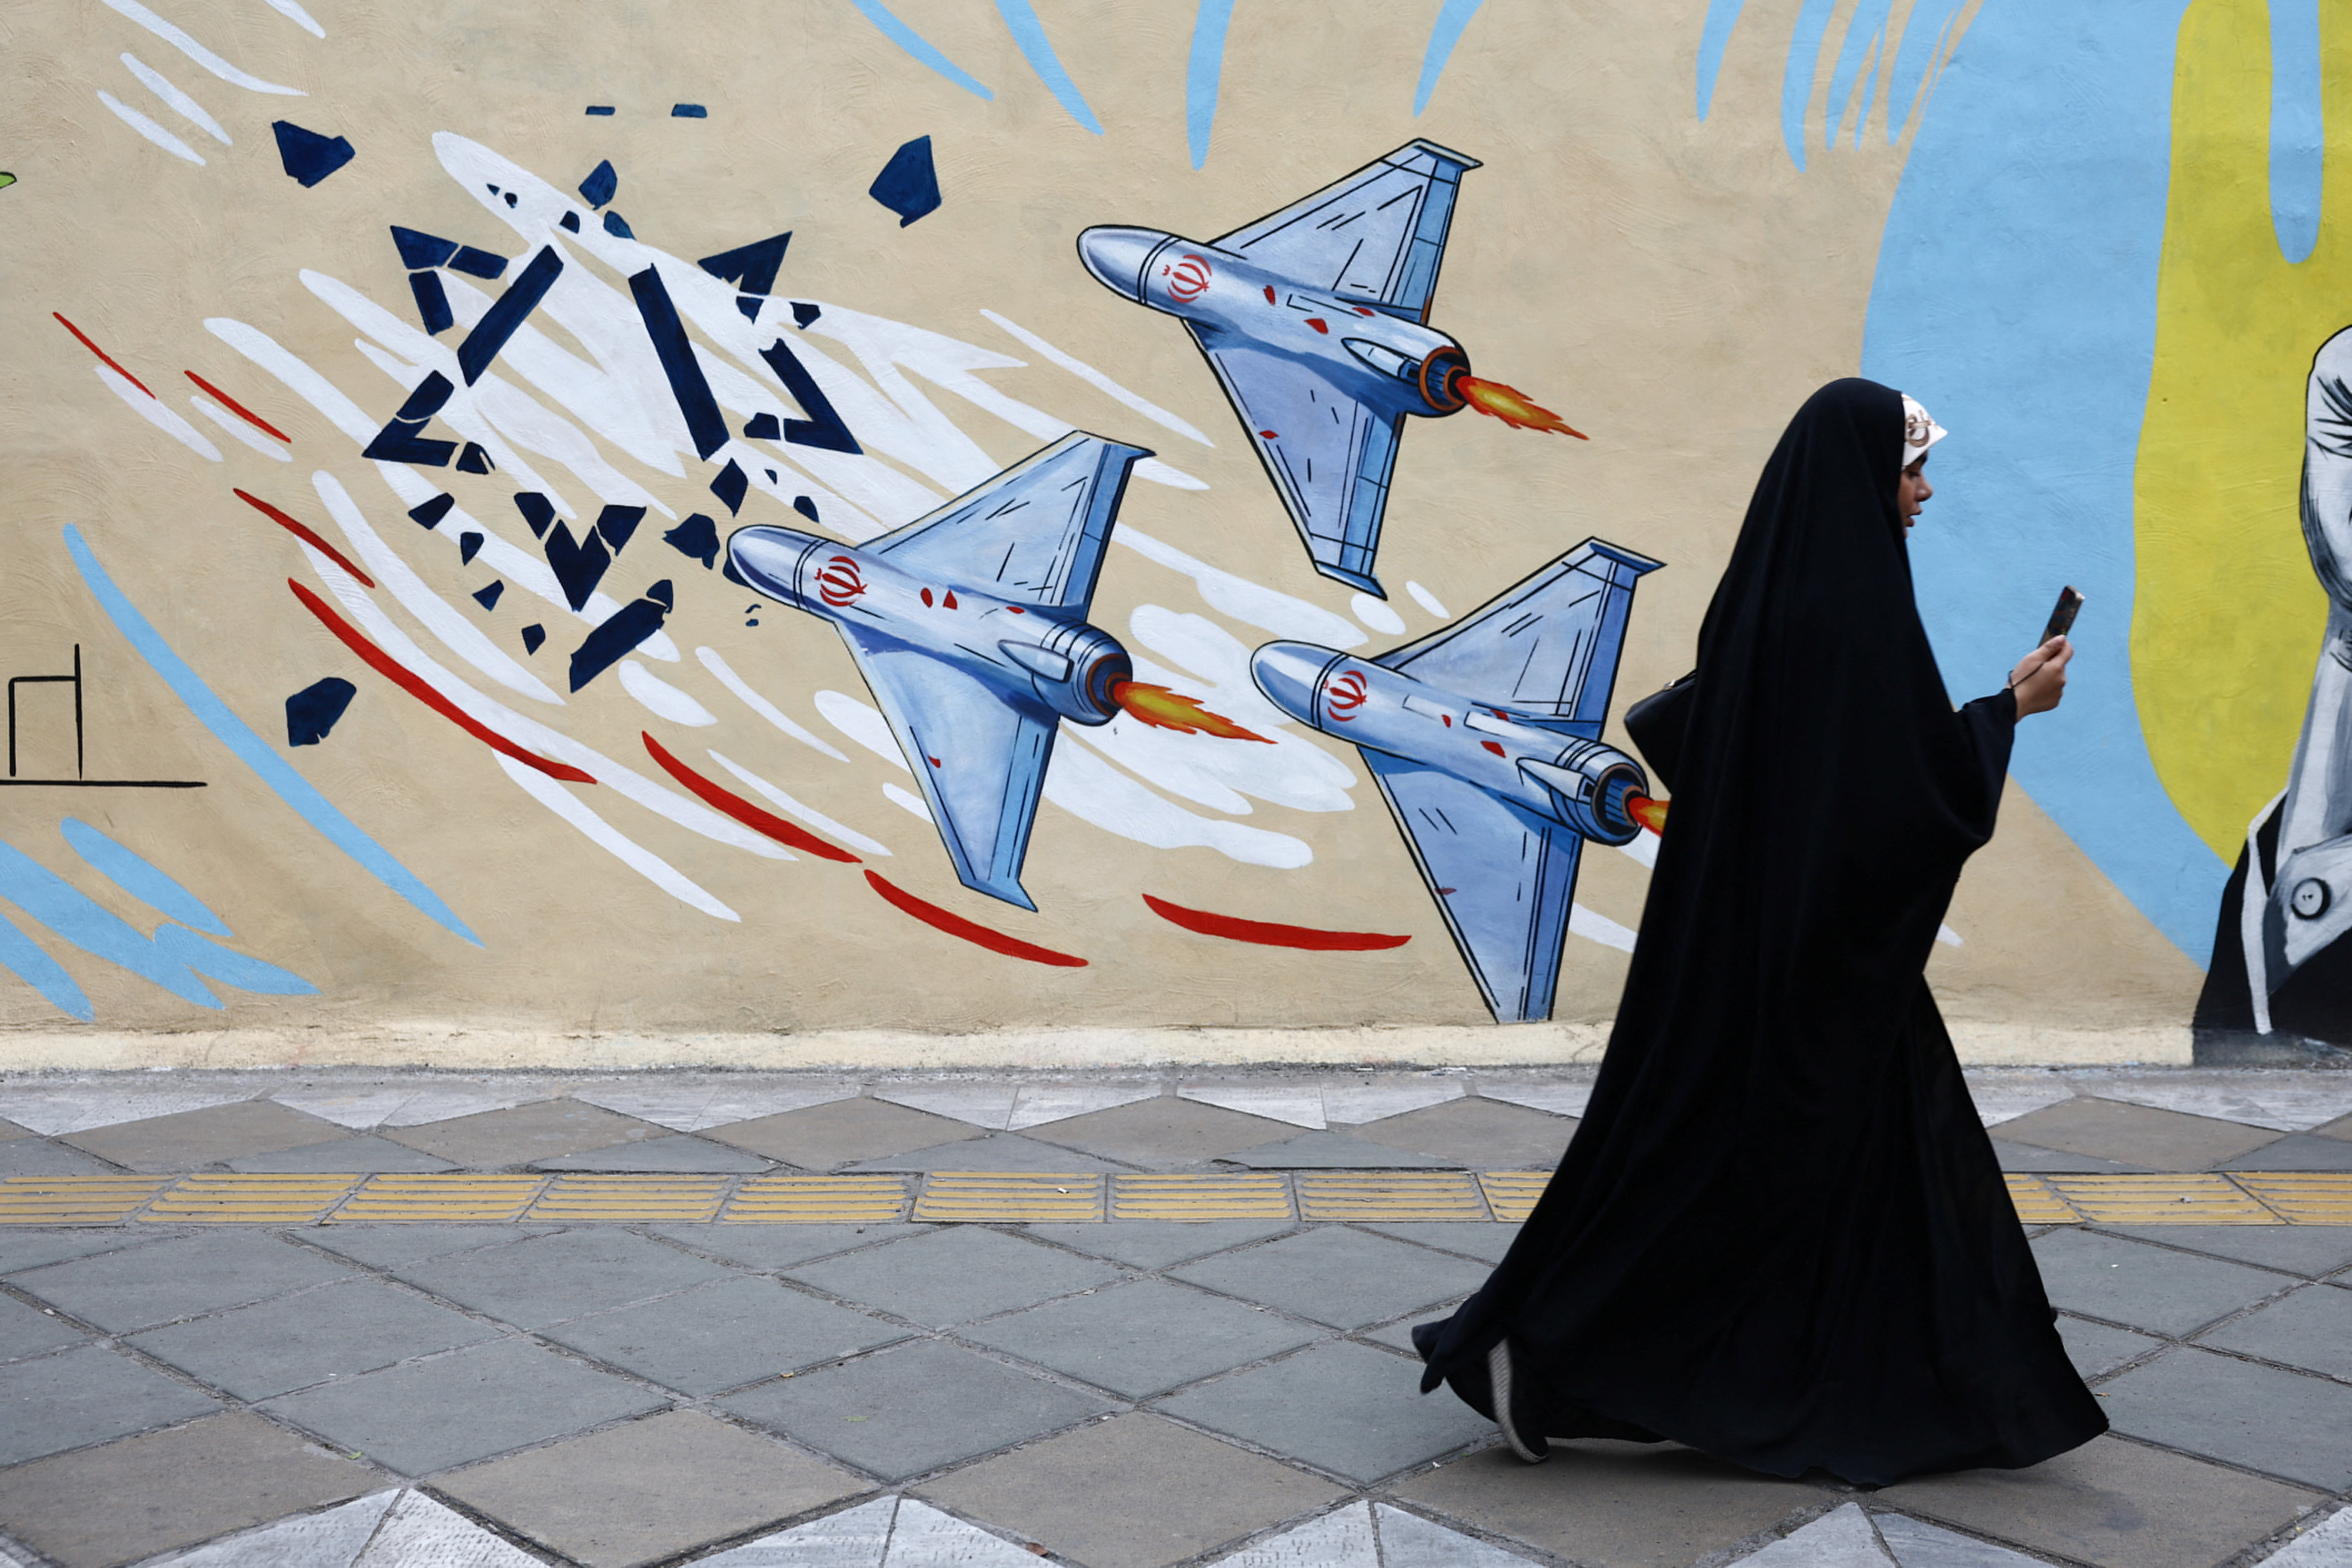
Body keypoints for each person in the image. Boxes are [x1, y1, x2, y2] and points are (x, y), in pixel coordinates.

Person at [1411, 378, 2100, 1485]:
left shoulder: (1773, 590)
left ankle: (1925, 1387)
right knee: (1744, 1184)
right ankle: (1542, 1356)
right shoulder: (1851, 608)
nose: (1922, 494)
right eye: (1911, 470)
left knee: (1762, 1171)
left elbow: (1795, 762)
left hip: (1757, 941)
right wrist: (2006, 715)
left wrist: (1979, 719)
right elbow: (1895, 803)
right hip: (1813, 968)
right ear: (1862, 479)